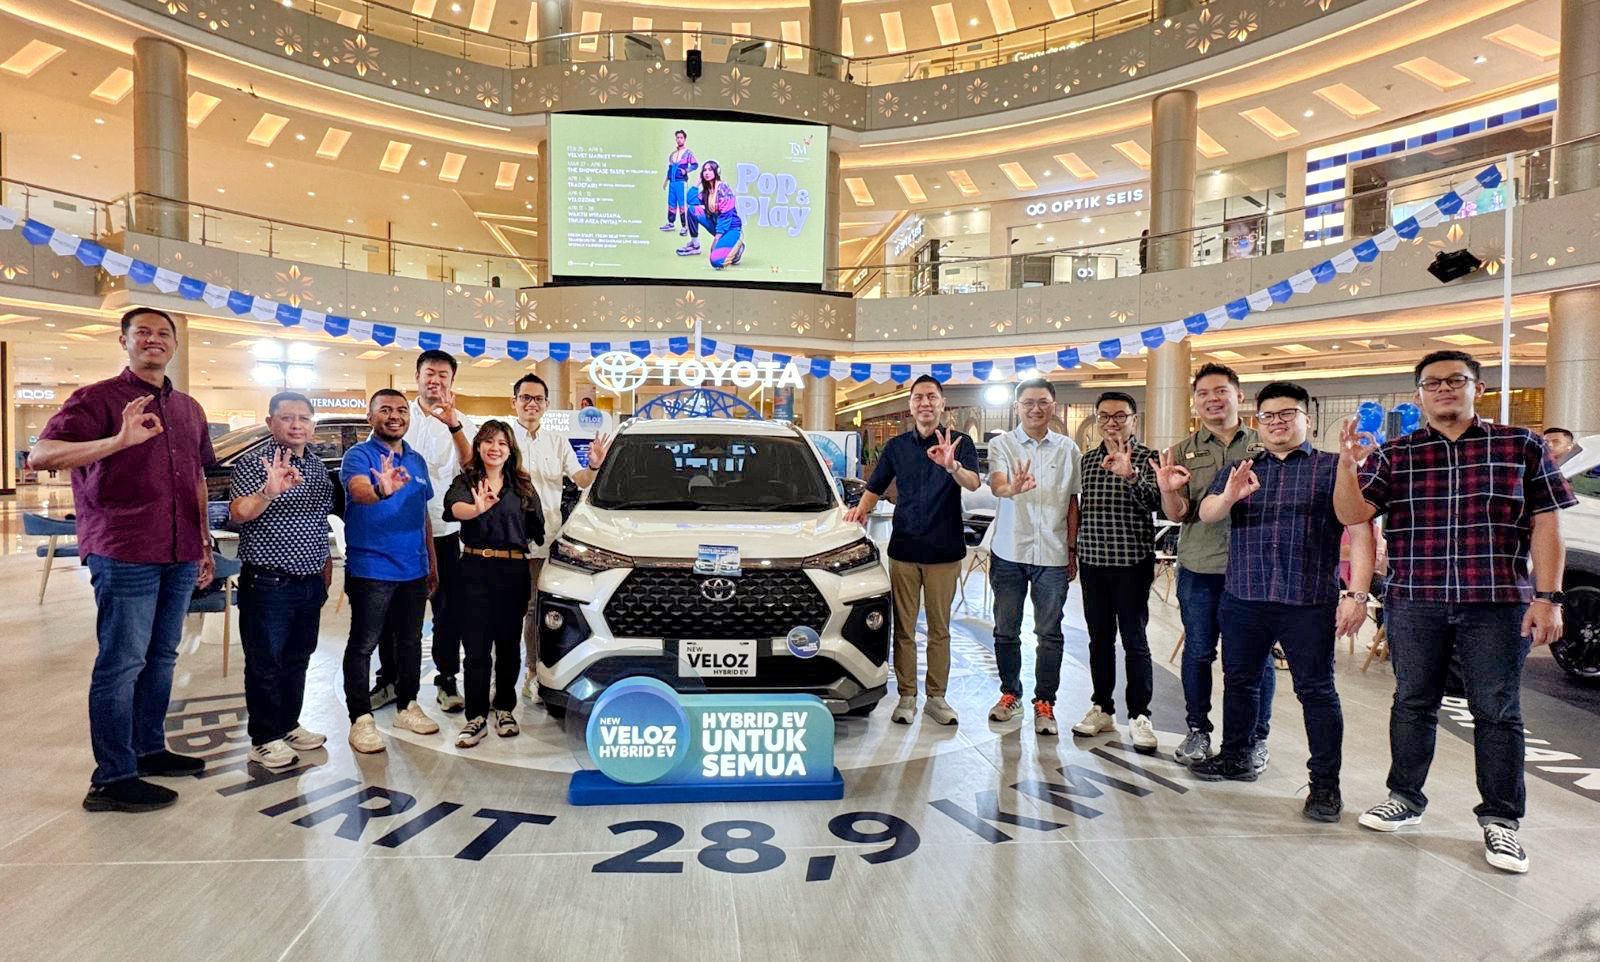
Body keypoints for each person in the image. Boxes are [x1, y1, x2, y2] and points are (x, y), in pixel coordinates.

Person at [1335, 350, 1574, 874]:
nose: (1444, 389)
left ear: (1477, 388)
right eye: (1432, 383)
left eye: (1455, 380)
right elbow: (1353, 514)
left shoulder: (1521, 445)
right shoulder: (1395, 454)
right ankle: (1405, 797)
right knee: (1412, 702)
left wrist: (1548, 597)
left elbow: (1547, 524)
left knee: (1497, 710)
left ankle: (1501, 820)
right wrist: (1348, 465)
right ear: (1419, 394)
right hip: (1415, 600)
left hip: (1497, 602)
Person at [31, 307, 213, 812]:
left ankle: (148, 749)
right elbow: (41, 456)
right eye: (143, 333)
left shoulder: (189, 408)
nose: (154, 340)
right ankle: (112, 777)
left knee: (162, 656)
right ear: (124, 341)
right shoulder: (96, 399)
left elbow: (197, 478)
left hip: (179, 550)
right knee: (122, 662)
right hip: (124, 548)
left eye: (163, 333)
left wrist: (202, 541)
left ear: (174, 344)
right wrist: (118, 441)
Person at [1190, 382, 1373, 824]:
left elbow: (1360, 529)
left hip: (1307, 600)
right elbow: (1207, 514)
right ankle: (1236, 756)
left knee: (1316, 692)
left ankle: (1325, 785)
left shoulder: (1332, 467)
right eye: (1268, 416)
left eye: (1287, 414)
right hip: (1244, 596)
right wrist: (1230, 495)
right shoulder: (1242, 468)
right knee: (1240, 682)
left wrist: (1356, 594)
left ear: (1308, 418)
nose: (1277, 423)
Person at [1153, 363, 1277, 770]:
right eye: (1203, 393)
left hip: (1256, 568)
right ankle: (1197, 731)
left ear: (1239, 396)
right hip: (1201, 567)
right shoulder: (1181, 451)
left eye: (1220, 391)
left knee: (1256, 658)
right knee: (1199, 651)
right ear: (1194, 402)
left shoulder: (1265, 444)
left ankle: (1255, 738)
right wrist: (1167, 490)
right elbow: (1178, 513)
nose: (1212, 399)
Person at [844, 374, 980, 726]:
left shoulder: (960, 443)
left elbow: (973, 482)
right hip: (904, 548)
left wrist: (952, 465)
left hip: (944, 551)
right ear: (910, 405)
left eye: (931, 396)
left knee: (939, 629)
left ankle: (936, 698)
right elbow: (874, 487)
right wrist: (858, 513)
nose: (925, 403)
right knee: (903, 629)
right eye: (918, 397)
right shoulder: (897, 447)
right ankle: (907, 696)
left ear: (942, 403)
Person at [227, 391, 333, 770]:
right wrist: (268, 492)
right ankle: (264, 738)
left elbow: (320, 521)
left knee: (297, 658)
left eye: (304, 418)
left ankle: (288, 724)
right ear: (270, 423)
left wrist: (324, 566)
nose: (296, 425)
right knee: (265, 662)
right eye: (287, 418)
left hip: (309, 582)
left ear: (312, 425)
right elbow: (238, 513)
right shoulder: (253, 464)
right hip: (268, 583)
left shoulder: (317, 466)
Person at [341, 389, 442, 753]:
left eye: (401, 410)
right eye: (385, 409)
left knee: (411, 642)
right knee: (364, 644)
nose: (395, 415)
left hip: (413, 569)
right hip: (372, 569)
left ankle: (407, 705)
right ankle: (361, 719)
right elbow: (360, 491)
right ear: (370, 417)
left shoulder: (416, 460)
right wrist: (381, 490)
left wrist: (431, 561)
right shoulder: (358, 455)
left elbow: (422, 514)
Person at [985, 379, 1082, 734]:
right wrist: (1011, 488)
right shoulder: (1002, 444)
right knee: (1005, 629)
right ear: (1017, 407)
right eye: (1028, 403)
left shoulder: (1068, 449)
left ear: (1053, 405)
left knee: (1049, 633)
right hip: (1009, 552)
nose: (1035, 409)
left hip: (1053, 554)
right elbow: (997, 483)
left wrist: (1071, 549)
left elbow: (1073, 502)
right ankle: (1010, 693)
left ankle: (1045, 703)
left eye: (1042, 402)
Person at [445, 421, 547, 747]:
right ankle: (475, 717)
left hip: (513, 571)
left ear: (510, 449)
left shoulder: (523, 485)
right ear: (478, 446)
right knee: (476, 648)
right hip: (474, 568)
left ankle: (504, 709)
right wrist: (477, 508)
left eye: (502, 443)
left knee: (508, 647)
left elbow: (536, 527)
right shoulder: (467, 480)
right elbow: (454, 508)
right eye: (488, 441)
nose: (495, 448)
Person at [508, 373, 608, 702]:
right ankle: (501, 676)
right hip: (506, 539)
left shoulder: (557, 441)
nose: (531, 404)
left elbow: (581, 480)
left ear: (547, 404)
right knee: (504, 610)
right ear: (514, 402)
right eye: (525, 397)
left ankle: (532, 673)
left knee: (535, 610)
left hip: (544, 539)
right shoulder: (502, 438)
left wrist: (594, 465)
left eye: (538, 399)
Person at [1071, 391, 1161, 752]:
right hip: (1093, 563)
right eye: (1104, 416)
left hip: (1132, 564)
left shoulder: (1149, 457)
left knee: (1135, 641)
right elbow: (1080, 509)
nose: (1112, 423)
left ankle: (1139, 714)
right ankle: (1102, 707)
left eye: (1120, 416)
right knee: (1099, 640)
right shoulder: (1088, 461)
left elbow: (1158, 503)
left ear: (1134, 420)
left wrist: (1132, 475)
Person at [391, 349, 473, 714]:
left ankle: (447, 678)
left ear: (452, 381)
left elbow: (470, 467)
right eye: (429, 372)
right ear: (417, 377)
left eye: (443, 375)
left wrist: (454, 425)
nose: (435, 380)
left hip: (445, 530)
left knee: (448, 611)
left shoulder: (461, 421)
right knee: (398, 610)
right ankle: (392, 680)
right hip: (399, 532)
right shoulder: (399, 416)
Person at [678, 160, 745, 269]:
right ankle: (694, 244)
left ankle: (737, 248)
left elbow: (725, 217)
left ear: (716, 172)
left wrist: (716, 240)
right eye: (704, 170)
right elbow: (691, 200)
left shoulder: (723, 188)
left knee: (716, 262)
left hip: (731, 228)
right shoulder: (708, 191)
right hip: (716, 224)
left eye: (710, 170)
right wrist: (696, 184)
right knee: (692, 210)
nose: (706, 172)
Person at [659, 128, 698, 235]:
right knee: (671, 203)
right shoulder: (673, 154)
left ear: (684, 139)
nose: (679, 139)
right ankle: (670, 223)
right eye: (677, 138)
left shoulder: (688, 153)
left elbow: (695, 164)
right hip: (672, 183)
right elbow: (670, 168)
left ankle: (685, 226)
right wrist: (666, 181)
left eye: (681, 137)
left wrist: (686, 170)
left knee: (682, 204)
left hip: (681, 183)